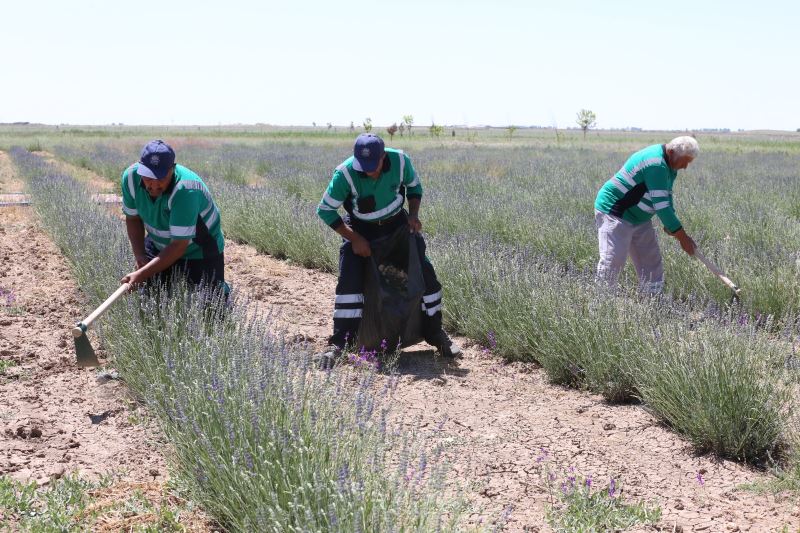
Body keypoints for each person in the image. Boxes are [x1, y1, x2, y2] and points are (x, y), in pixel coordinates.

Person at [316, 133, 460, 360]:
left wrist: (413, 215)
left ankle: (436, 334)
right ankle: (339, 345)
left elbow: (414, 188)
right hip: (361, 231)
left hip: (396, 227)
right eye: (363, 166)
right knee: (349, 287)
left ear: (384, 156)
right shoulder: (344, 173)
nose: (368, 171)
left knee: (425, 279)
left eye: (373, 165)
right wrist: (354, 239)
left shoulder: (401, 161)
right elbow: (325, 210)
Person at [594, 136, 699, 294]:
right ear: (671, 152)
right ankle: (601, 304)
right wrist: (682, 238)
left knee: (650, 260)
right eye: (685, 161)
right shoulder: (656, 164)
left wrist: (671, 225)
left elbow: (666, 195)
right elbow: (661, 206)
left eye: (688, 162)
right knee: (613, 259)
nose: (685, 167)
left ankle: (653, 302)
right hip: (616, 211)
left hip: (639, 218)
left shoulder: (670, 165)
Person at [120, 140, 226, 292]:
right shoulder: (130, 178)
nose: (154, 185)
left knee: (210, 304)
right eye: (148, 177)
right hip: (159, 242)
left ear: (172, 170)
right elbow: (133, 218)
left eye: (161, 177)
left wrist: (142, 274)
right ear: (140, 169)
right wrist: (140, 255)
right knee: (152, 299)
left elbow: (178, 246)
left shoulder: (185, 190)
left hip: (199, 246)